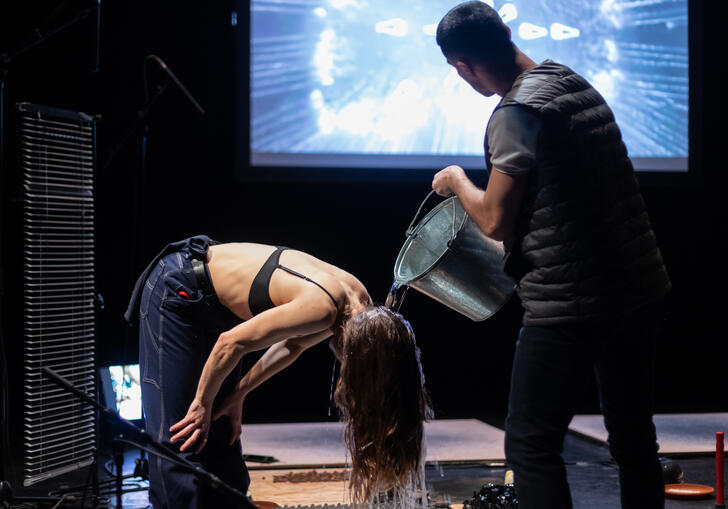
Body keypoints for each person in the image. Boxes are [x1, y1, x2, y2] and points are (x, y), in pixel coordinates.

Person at [431, 3, 671, 509]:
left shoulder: (516, 113)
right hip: (637, 286)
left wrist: (455, 180)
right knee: (632, 437)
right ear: (508, 35)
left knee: (531, 444)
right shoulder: (569, 80)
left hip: (571, 302)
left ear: (462, 66)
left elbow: (495, 219)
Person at [124, 235, 430, 509]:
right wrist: (202, 401)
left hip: (213, 306)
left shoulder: (357, 304)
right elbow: (230, 343)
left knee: (220, 426)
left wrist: (238, 394)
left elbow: (292, 346)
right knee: (182, 432)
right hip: (178, 289)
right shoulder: (323, 307)